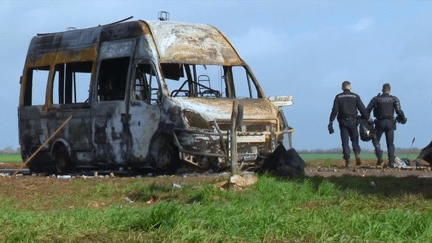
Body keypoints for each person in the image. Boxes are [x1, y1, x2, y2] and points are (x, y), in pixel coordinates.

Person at [328, 81, 369, 167]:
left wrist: (331, 121)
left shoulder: (338, 97)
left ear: (342, 88)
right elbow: (362, 109)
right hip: (353, 121)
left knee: (345, 141)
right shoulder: (355, 96)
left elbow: (334, 110)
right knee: (354, 140)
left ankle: (348, 161)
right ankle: (357, 155)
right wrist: (366, 118)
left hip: (342, 122)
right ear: (350, 87)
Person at [366, 83, 407, 167]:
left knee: (376, 140)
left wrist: (367, 121)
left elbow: (367, 110)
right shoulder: (394, 99)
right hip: (390, 123)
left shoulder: (376, 99)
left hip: (379, 123)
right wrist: (403, 119)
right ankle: (391, 162)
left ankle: (379, 155)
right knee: (390, 143)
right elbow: (399, 111)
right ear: (390, 90)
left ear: (382, 90)